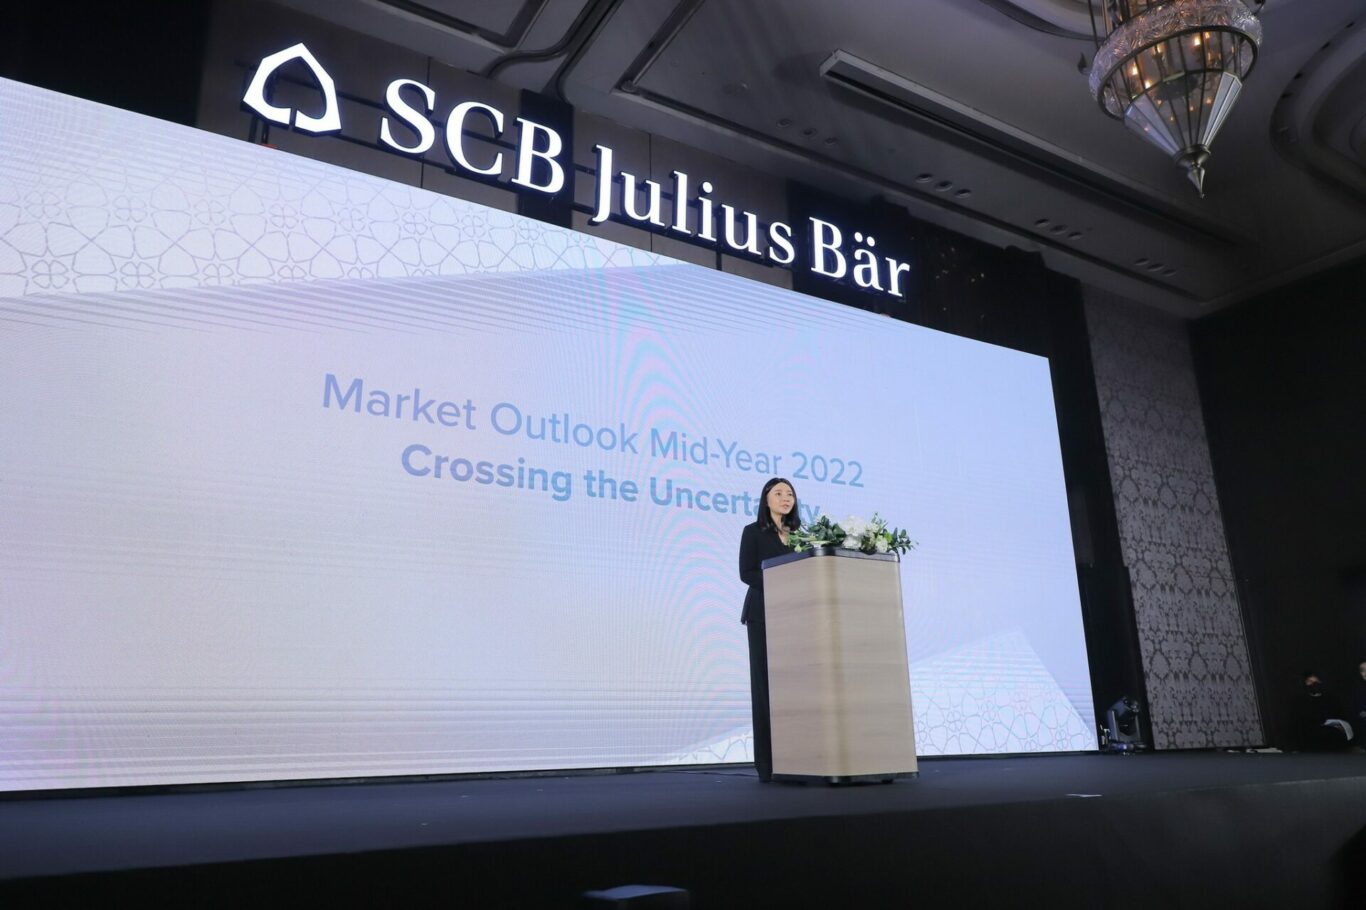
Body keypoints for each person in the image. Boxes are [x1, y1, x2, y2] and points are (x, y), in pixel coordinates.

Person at [738, 477, 800, 782]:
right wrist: (780, 584)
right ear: (766, 499)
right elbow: (746, 572)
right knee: (766, 688)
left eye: (790, 494)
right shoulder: (752, 531)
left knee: (795, 688)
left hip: (797, 618)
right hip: (763, 614)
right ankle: (768, 764)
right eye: (779, 493)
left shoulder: (801, 535)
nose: (785, 498)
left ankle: (798, 758)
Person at [1288, 671, 1353, 751]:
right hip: (1309, 741)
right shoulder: (1300, 702)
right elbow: (1296, 724)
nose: (1314, 684)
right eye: (1310, 681)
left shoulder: (1331, 700)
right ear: (1304, 684)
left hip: (1331, 740)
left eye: (1316, 681)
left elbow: (1341, 718)